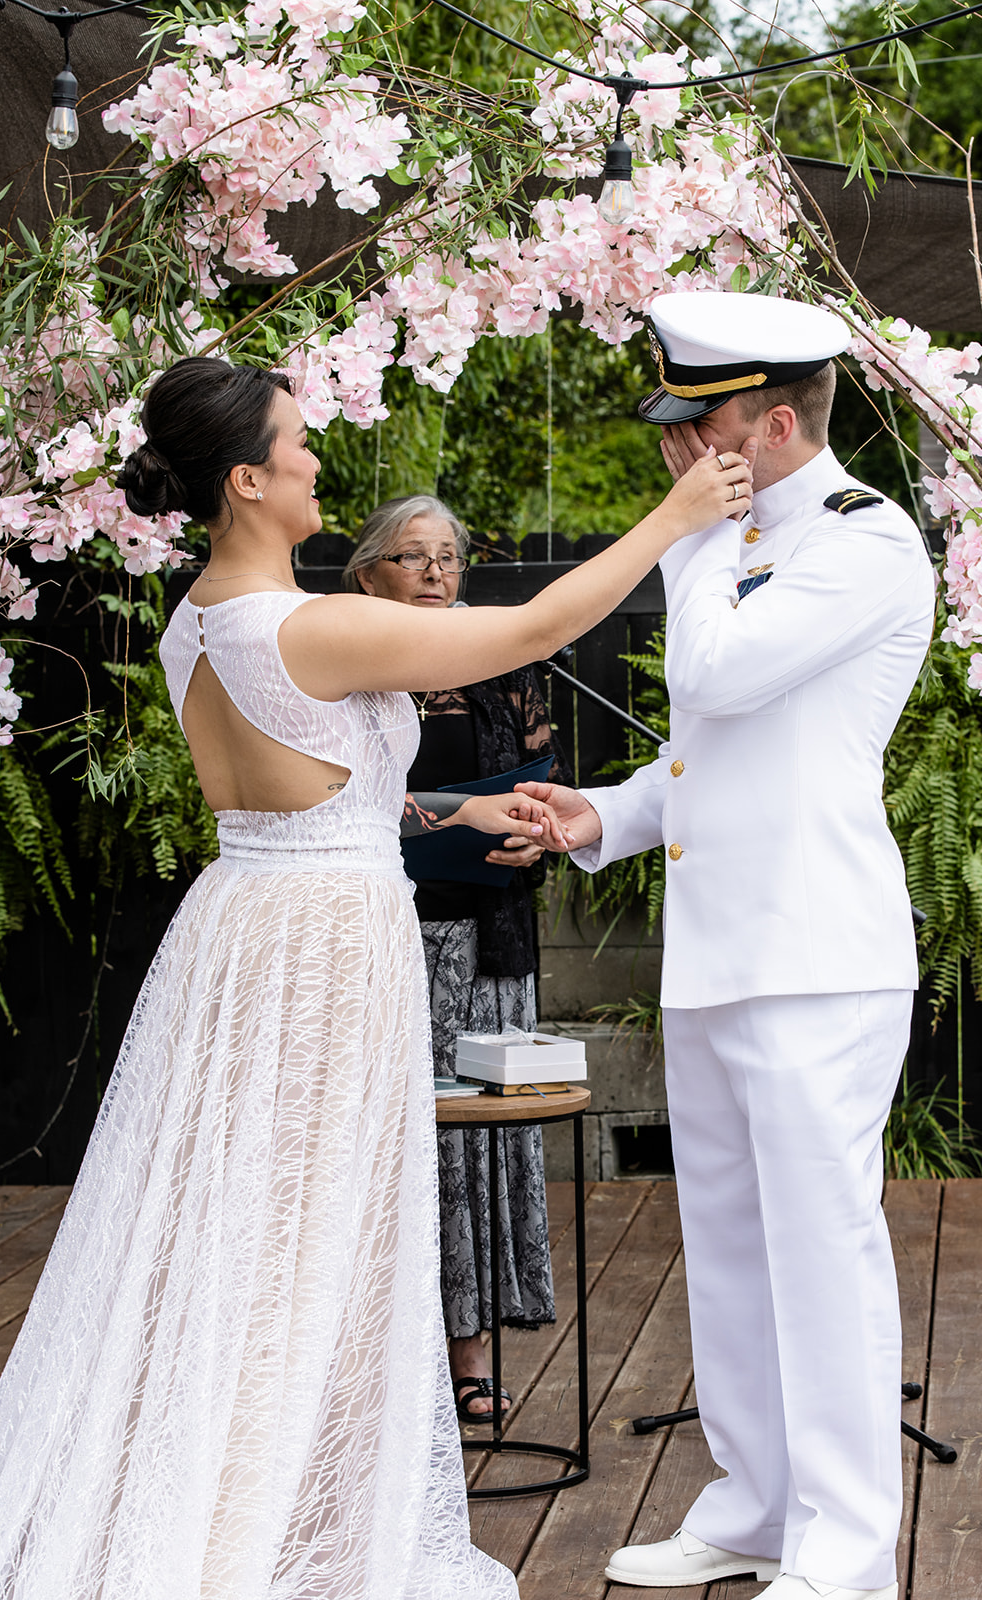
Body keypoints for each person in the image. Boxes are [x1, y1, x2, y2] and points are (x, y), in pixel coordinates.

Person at [0, 354, 753, 1600]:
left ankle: (271, 1498)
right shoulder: (310, 622)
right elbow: (526, 629)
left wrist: (453, 810)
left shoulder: (199, 621)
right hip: (325, 951)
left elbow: (314, 787)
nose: (315, 458)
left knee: (243, 1229)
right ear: (246, 479)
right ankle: (248, 1529)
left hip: (247, 923)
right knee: (305, 1241)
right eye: (295, 443)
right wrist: (671, 518)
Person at [520, 291, 937, 1600]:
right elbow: (714, 753)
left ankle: (844, 1552)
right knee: (733, 1249)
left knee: (820, 1256)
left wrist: (686, 540)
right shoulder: (743, 536)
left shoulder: (864, 544)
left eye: (685, 431)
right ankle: (754, 1506)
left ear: (766, 422)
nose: (664, 455)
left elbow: (715, 677)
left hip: (814, 957)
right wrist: (606, 814)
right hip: (722, 958)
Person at [345, 495, 570, 1422]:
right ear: (367, 577)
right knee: (405, 1147)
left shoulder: (505, 668)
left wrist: (536, 831)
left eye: (447, 557)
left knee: (481, 1145)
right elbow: (343, 800)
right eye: (411, 556)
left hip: (489, 942)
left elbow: (547, 780)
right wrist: (452, 812)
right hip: (388, 936)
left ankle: (471, 1351)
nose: (435, 573)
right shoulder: (350, 676)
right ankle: (389, 1364)